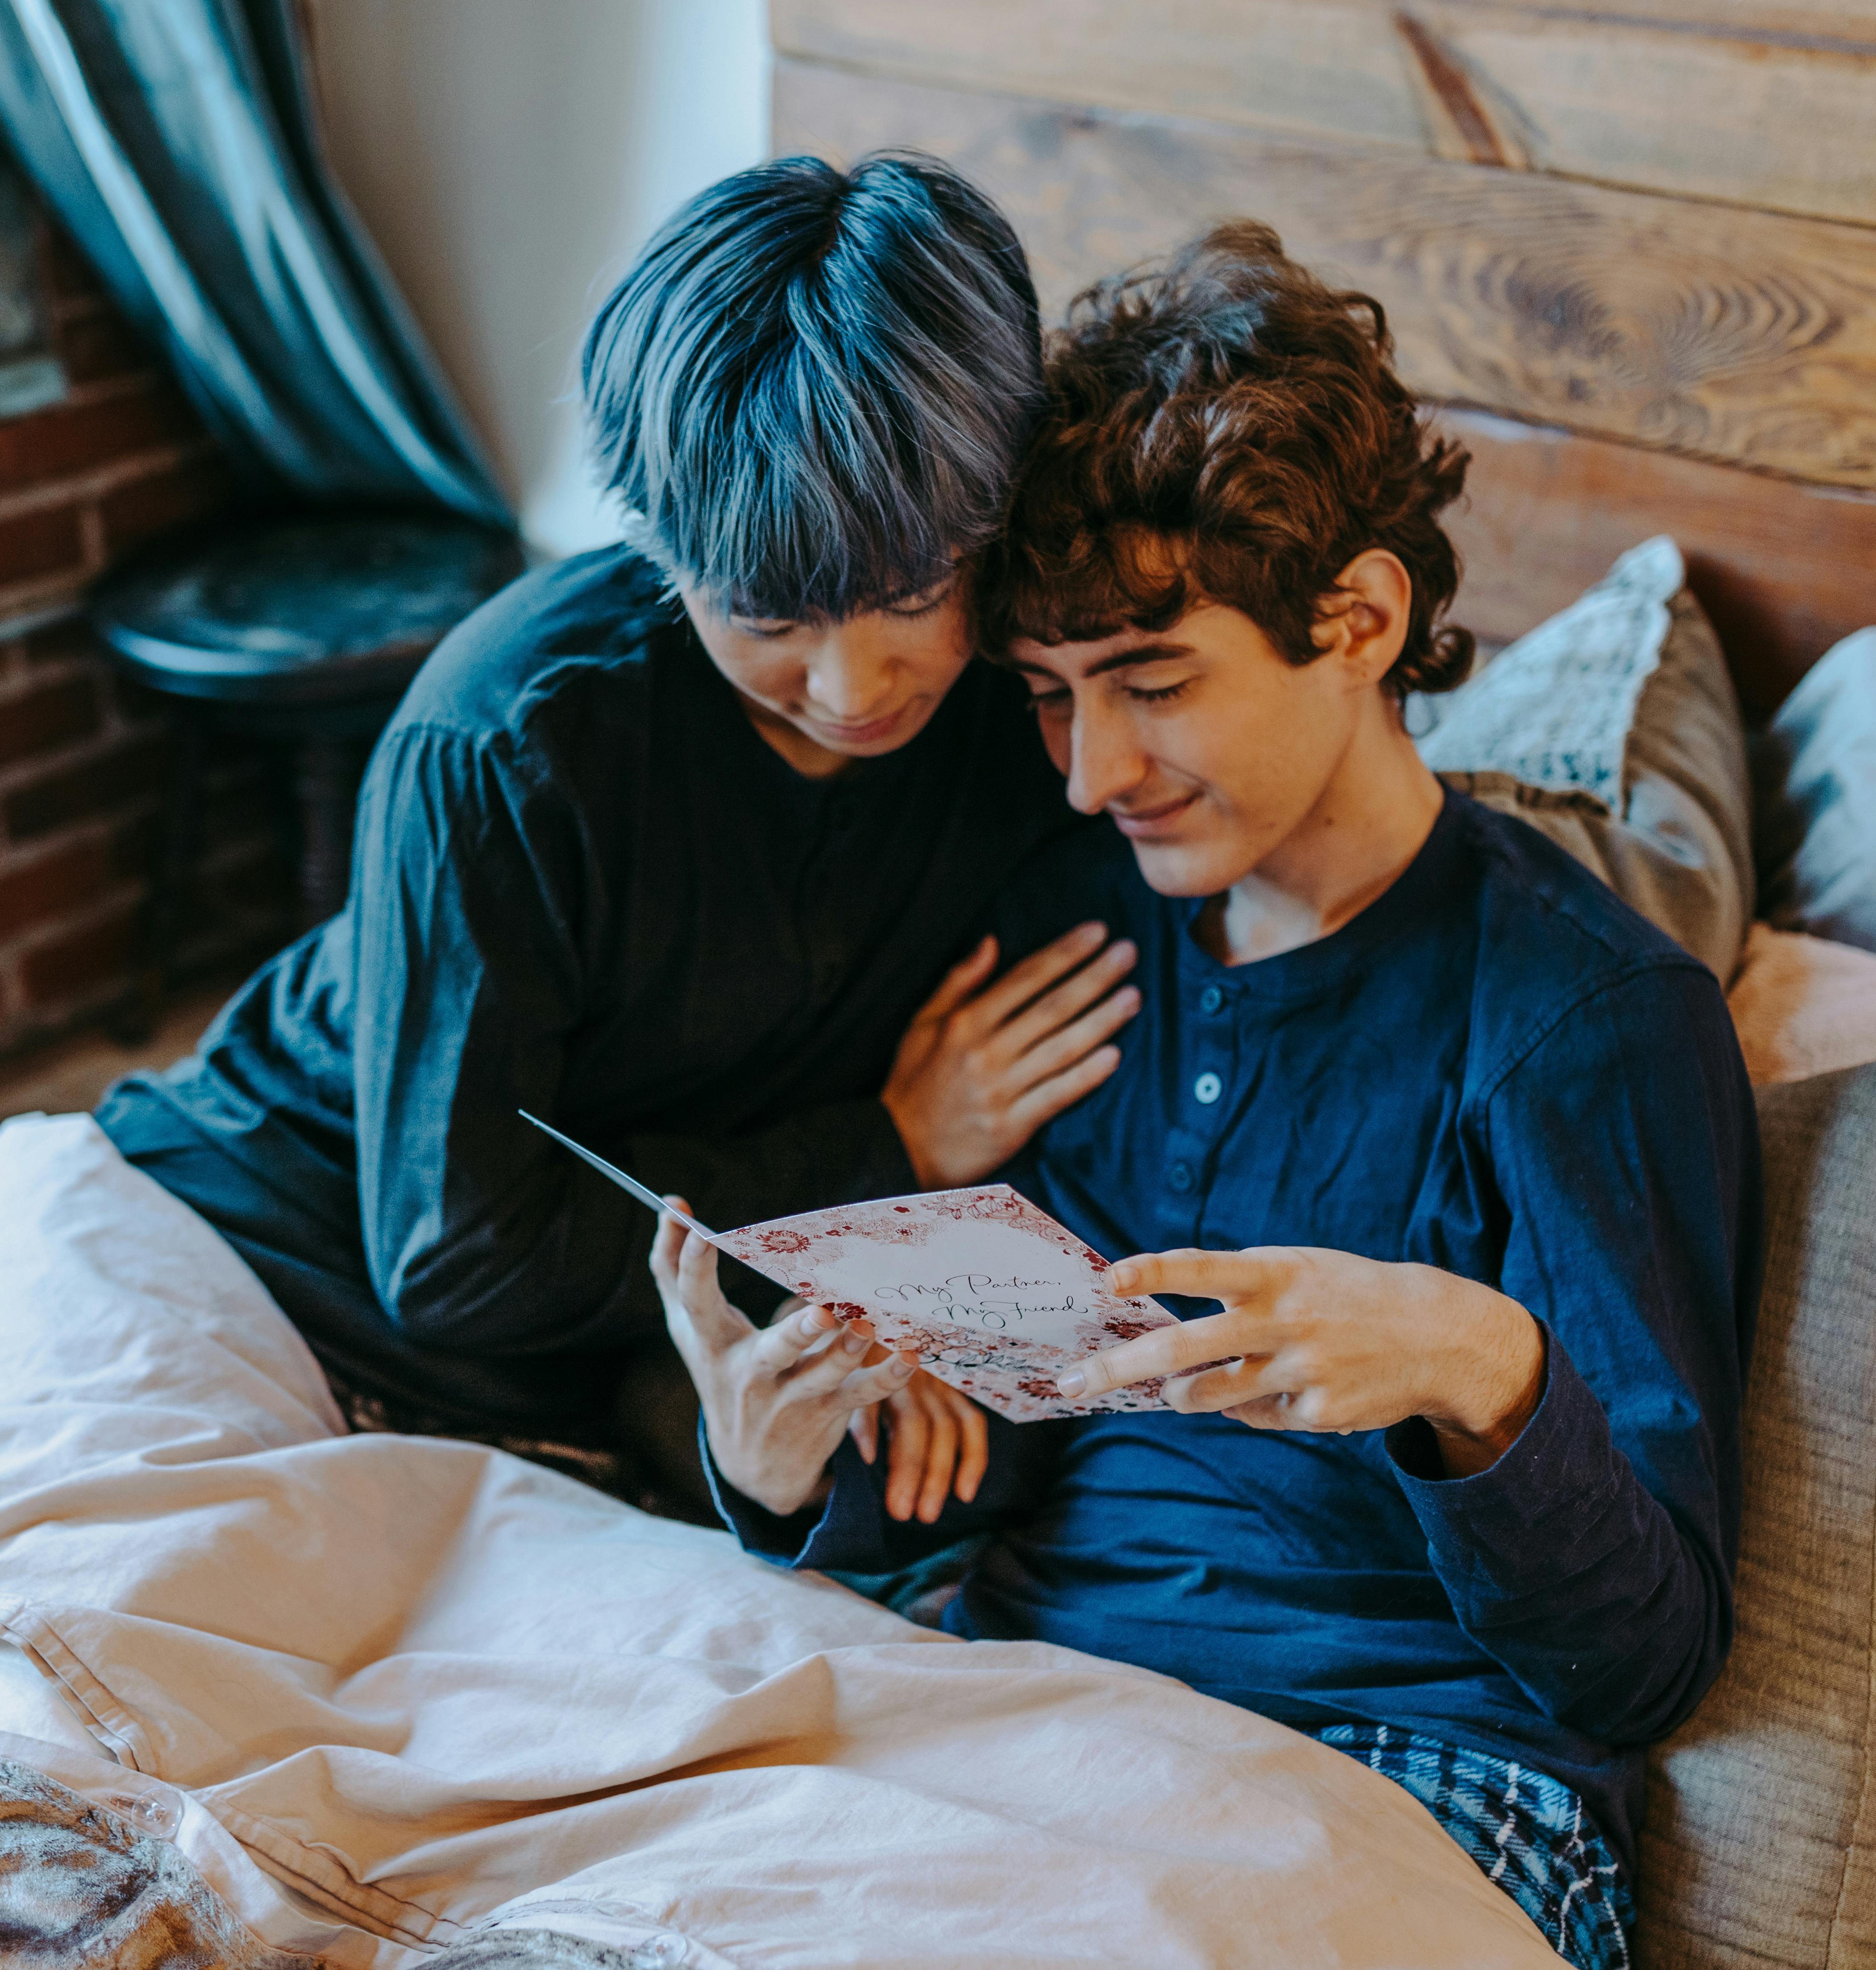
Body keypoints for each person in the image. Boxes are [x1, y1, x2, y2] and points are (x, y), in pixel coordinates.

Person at [654, 224, 1761, 1969]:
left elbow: (1649, 1661)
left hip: (1412, 1773)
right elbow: (991, 1454)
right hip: (1029, 1699)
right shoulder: (1082, 932)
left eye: (1155, 686)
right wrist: (785, 1467)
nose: (1095, 771)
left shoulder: (1588, 1020)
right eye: (1050, 700)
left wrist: (1476, 1369)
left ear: (1360, 616)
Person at [100, 154, 1137, 1506]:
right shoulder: (501, 746)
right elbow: (457, 1259)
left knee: (904, 1489)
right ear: (660, 546)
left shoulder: (1031, 700)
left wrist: (911, 1279)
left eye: (913, 593)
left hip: (623, 1321)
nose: (853, 687)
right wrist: (884, 1162)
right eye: (768, 618)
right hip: (269, 1235)